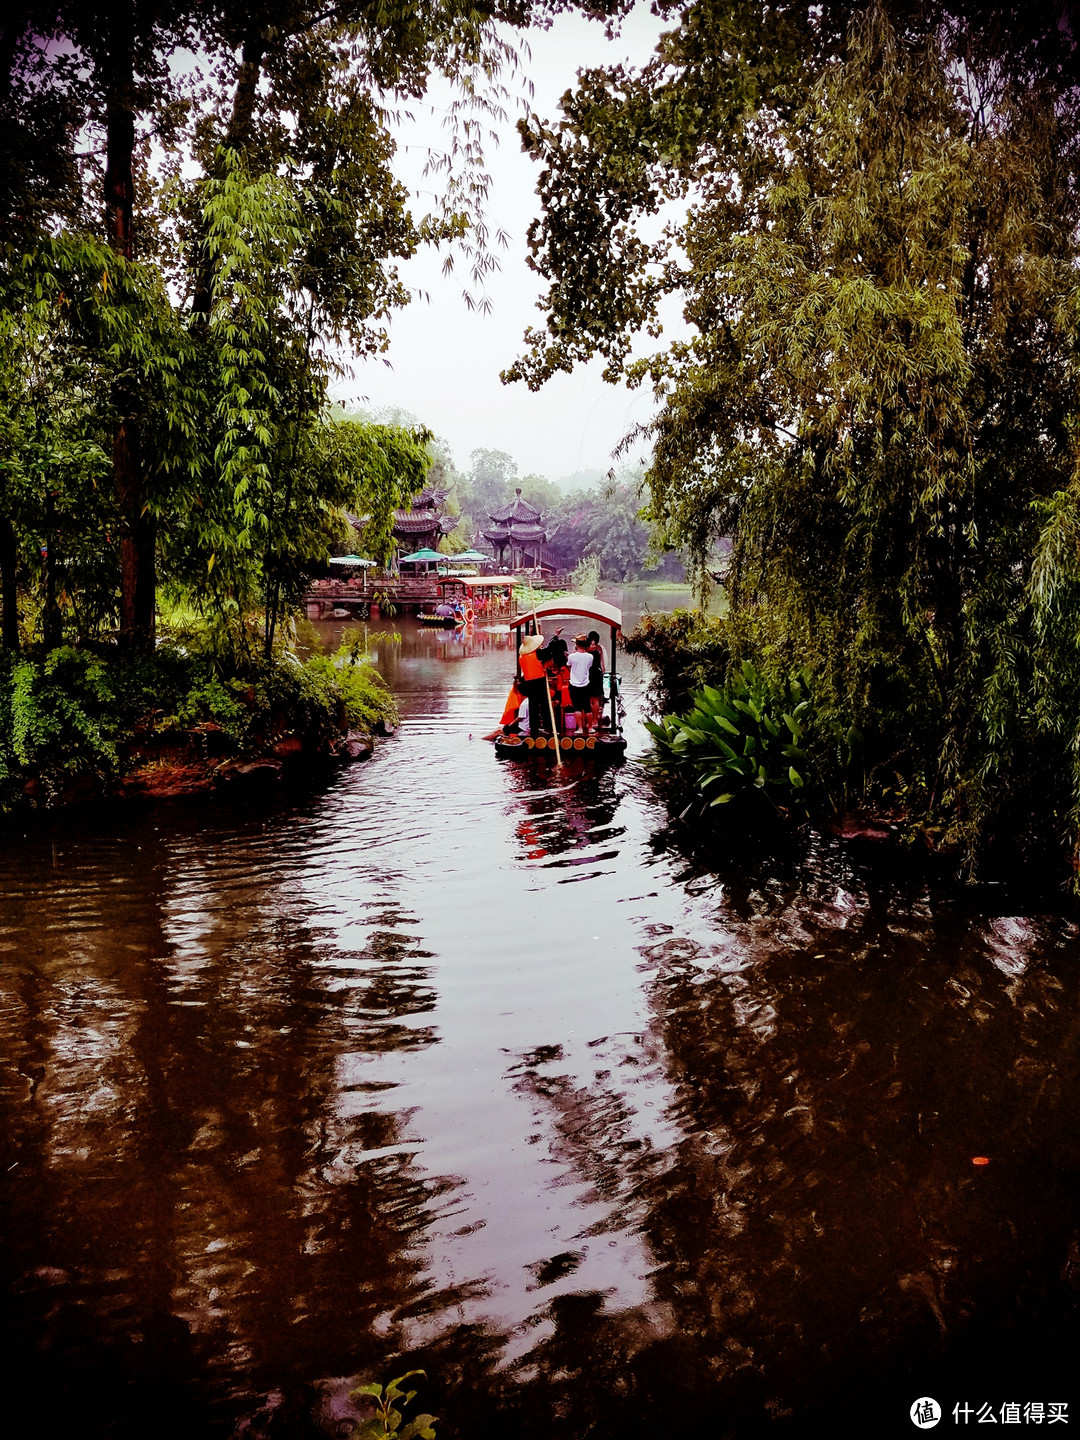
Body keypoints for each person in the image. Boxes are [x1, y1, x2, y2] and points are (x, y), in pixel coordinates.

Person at [518, 633, 553, 737]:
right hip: (539, 681)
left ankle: (534, 729)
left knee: (533, 706)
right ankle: (548, 727)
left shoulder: (522, 657)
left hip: (529, 682)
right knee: (544, 704)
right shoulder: (537, 653)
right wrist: (554, 637)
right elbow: (549, 651)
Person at [566, 634, 595, 734]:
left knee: (577, 707)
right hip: (585, 684)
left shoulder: (571, 656)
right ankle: (590, 727)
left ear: (577, 645)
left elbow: (569, 666)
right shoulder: (590, 656)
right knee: (587, 706)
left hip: (574, 684)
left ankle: (580, 728)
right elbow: (589, 667)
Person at [586, 630, 606, 730]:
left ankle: (592, 721)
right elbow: (603, 666)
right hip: (597, 675)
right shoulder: (598, 652)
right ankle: (594, 720)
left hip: (591, 676)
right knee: (595, 699)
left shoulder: (588, 654)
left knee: (592, 699)